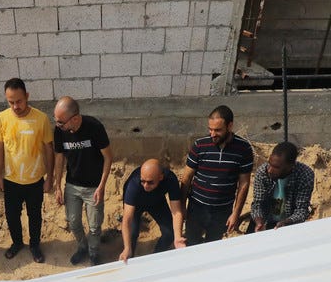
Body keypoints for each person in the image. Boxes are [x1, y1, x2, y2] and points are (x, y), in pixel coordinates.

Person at [0, 78, 54, 263]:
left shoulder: (40, 118)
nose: (15, 106)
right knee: (12, 215)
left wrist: (49, 177)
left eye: (19, 101)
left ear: (27, 96)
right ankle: (17, 243)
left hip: (35, 180)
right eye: (10, 102)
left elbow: (48, 148)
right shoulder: (1, 118)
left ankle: (35, 245)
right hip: (11, 180)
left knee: (34, 216)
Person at [53, 96, 113, 266]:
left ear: (76, 118)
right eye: (56, 121)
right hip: (72, 185)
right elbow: (59, 157)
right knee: (73, 222)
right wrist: (58, 186)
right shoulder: (59, 130)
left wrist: (102, 186)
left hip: (93, 187)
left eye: (61, 122)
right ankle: (82, 247)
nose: (58, 125)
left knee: (94, 226)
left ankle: (94, 253)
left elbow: (108, 157)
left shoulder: (94, 127)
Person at [180, 105, 254, 245]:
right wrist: (182, 207)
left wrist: (236, 213)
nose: (212, 134)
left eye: (218, 130)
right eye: (210, 129)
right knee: (191, 244)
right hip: (197, 208)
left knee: (213, 246)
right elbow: (186, 178)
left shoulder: (243, 149)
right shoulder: (199, 146)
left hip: (222, 211)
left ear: (230, 126)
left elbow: (244, 184)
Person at [119, 159, 185, 263]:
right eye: (143, 181)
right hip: (136, 204)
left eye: (150, 182)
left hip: (157, 202)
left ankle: (155, 258)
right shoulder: (134, 184)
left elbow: (176, 211)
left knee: (170, 233)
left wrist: (177, 237)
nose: (145, 185)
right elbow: (127, 219)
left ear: (161, 177)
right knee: (132, 234)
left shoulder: (170, 180)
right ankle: (130, 258)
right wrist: (127, 248)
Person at [249, 142, 314, 231]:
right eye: (269, 163)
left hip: (290, 224)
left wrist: (287, 222)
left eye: (276, 167)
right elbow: (258, 204)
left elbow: (301, 210)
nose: (270, 170)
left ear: (290, 166)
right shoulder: (263, 172)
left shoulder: (304, 175)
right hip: (264, 220)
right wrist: (259, 222)